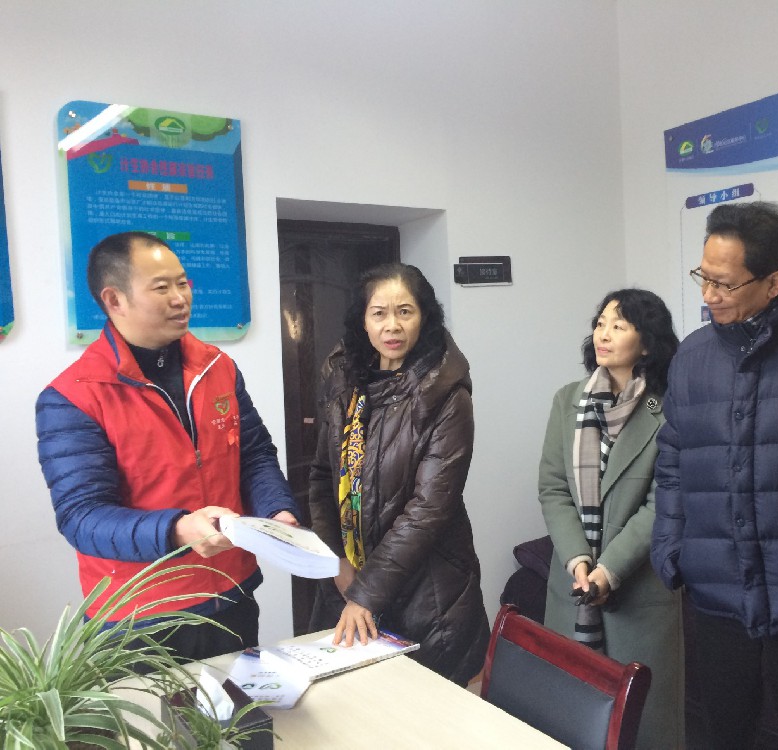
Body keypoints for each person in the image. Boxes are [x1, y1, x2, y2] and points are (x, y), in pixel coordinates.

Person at [36, 231, 300, 661]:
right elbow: (81, 517)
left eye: (183, 283)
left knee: (239, 706)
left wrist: (276, 511)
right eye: (162, 287)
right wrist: (178, 530)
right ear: (114, 300)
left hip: (231, 593)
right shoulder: (74, 396)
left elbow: (252, 455)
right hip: (141, 617)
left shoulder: (217, 367)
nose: (181, 298)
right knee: (163, 711)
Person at [650, 202, 778, 749]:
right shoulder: (692, 356)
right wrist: (670, 546)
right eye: (703, 277)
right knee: (722, 733)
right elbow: (673, 460)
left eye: (724, 283)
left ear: (773, 282)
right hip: (715, 592)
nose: (709, 295)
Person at [308, 262, 490, 684]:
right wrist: (336, 561)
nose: (392, 325)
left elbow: (428, 509)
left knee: (423, 709)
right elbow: (321, 475)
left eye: (405, 311)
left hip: (429, 596)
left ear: (424, 316)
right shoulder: (344, 380)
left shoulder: (445, 392)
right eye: (379, 313)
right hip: (347, 582)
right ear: (363, 321)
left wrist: (365, 592)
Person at [538, 288, 684, 749]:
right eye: (600, 324)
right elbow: (553, 488)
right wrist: (578, 560)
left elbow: (665, 502)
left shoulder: (670, 407)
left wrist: (609, 569)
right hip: (572, 583)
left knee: (643, 728)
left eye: (619, 326)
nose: (603, 334)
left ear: (647, 343)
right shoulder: (568, 400)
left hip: (639, 590)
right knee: (569, 714)